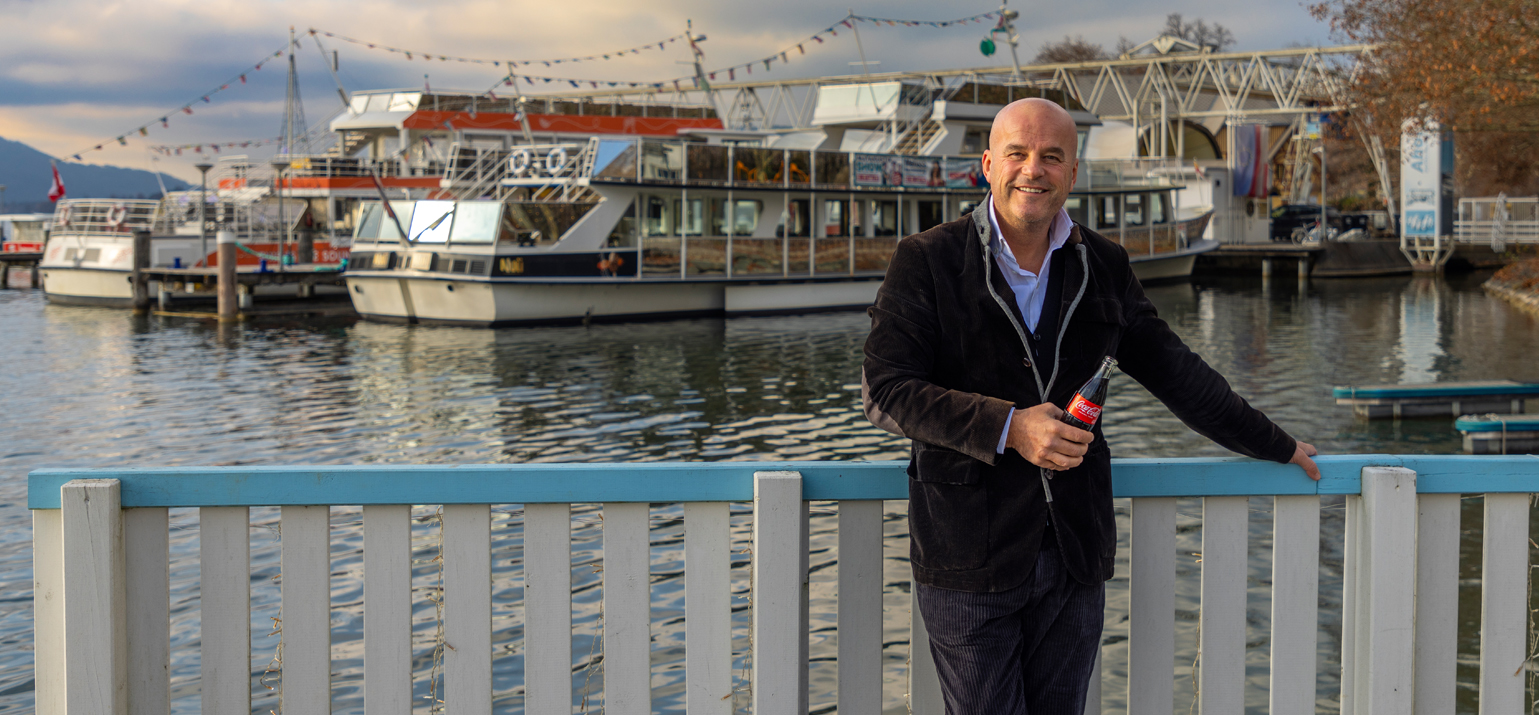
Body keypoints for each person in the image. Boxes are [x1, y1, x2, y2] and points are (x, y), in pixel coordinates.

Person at [862, 98, 1320, 714]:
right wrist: (1010, 427)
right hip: (968, 555)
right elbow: (886, 390)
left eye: (1052, 156)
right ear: (987, 165)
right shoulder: (929, 259)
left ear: (1073, 173)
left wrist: (1278, 444)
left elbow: (1178, 374)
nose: (1034, 170)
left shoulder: (1103, 265)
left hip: (1074, 553)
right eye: (1019, 154)